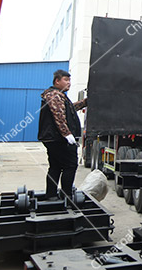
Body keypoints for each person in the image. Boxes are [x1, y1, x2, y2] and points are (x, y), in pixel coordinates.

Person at [38, 69, 87, 200]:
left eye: (70, 80)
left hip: (53, 138)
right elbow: (58, 115)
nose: (69, 83)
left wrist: (84, 102)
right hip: (58, 139)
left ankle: (52, 195)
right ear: (57, 81)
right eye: (66, 80)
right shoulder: (54, 95)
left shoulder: (59, 95)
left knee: (55, 166)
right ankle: (66, 194)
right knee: (70, 165)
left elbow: (69, 108)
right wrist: (67, 135)